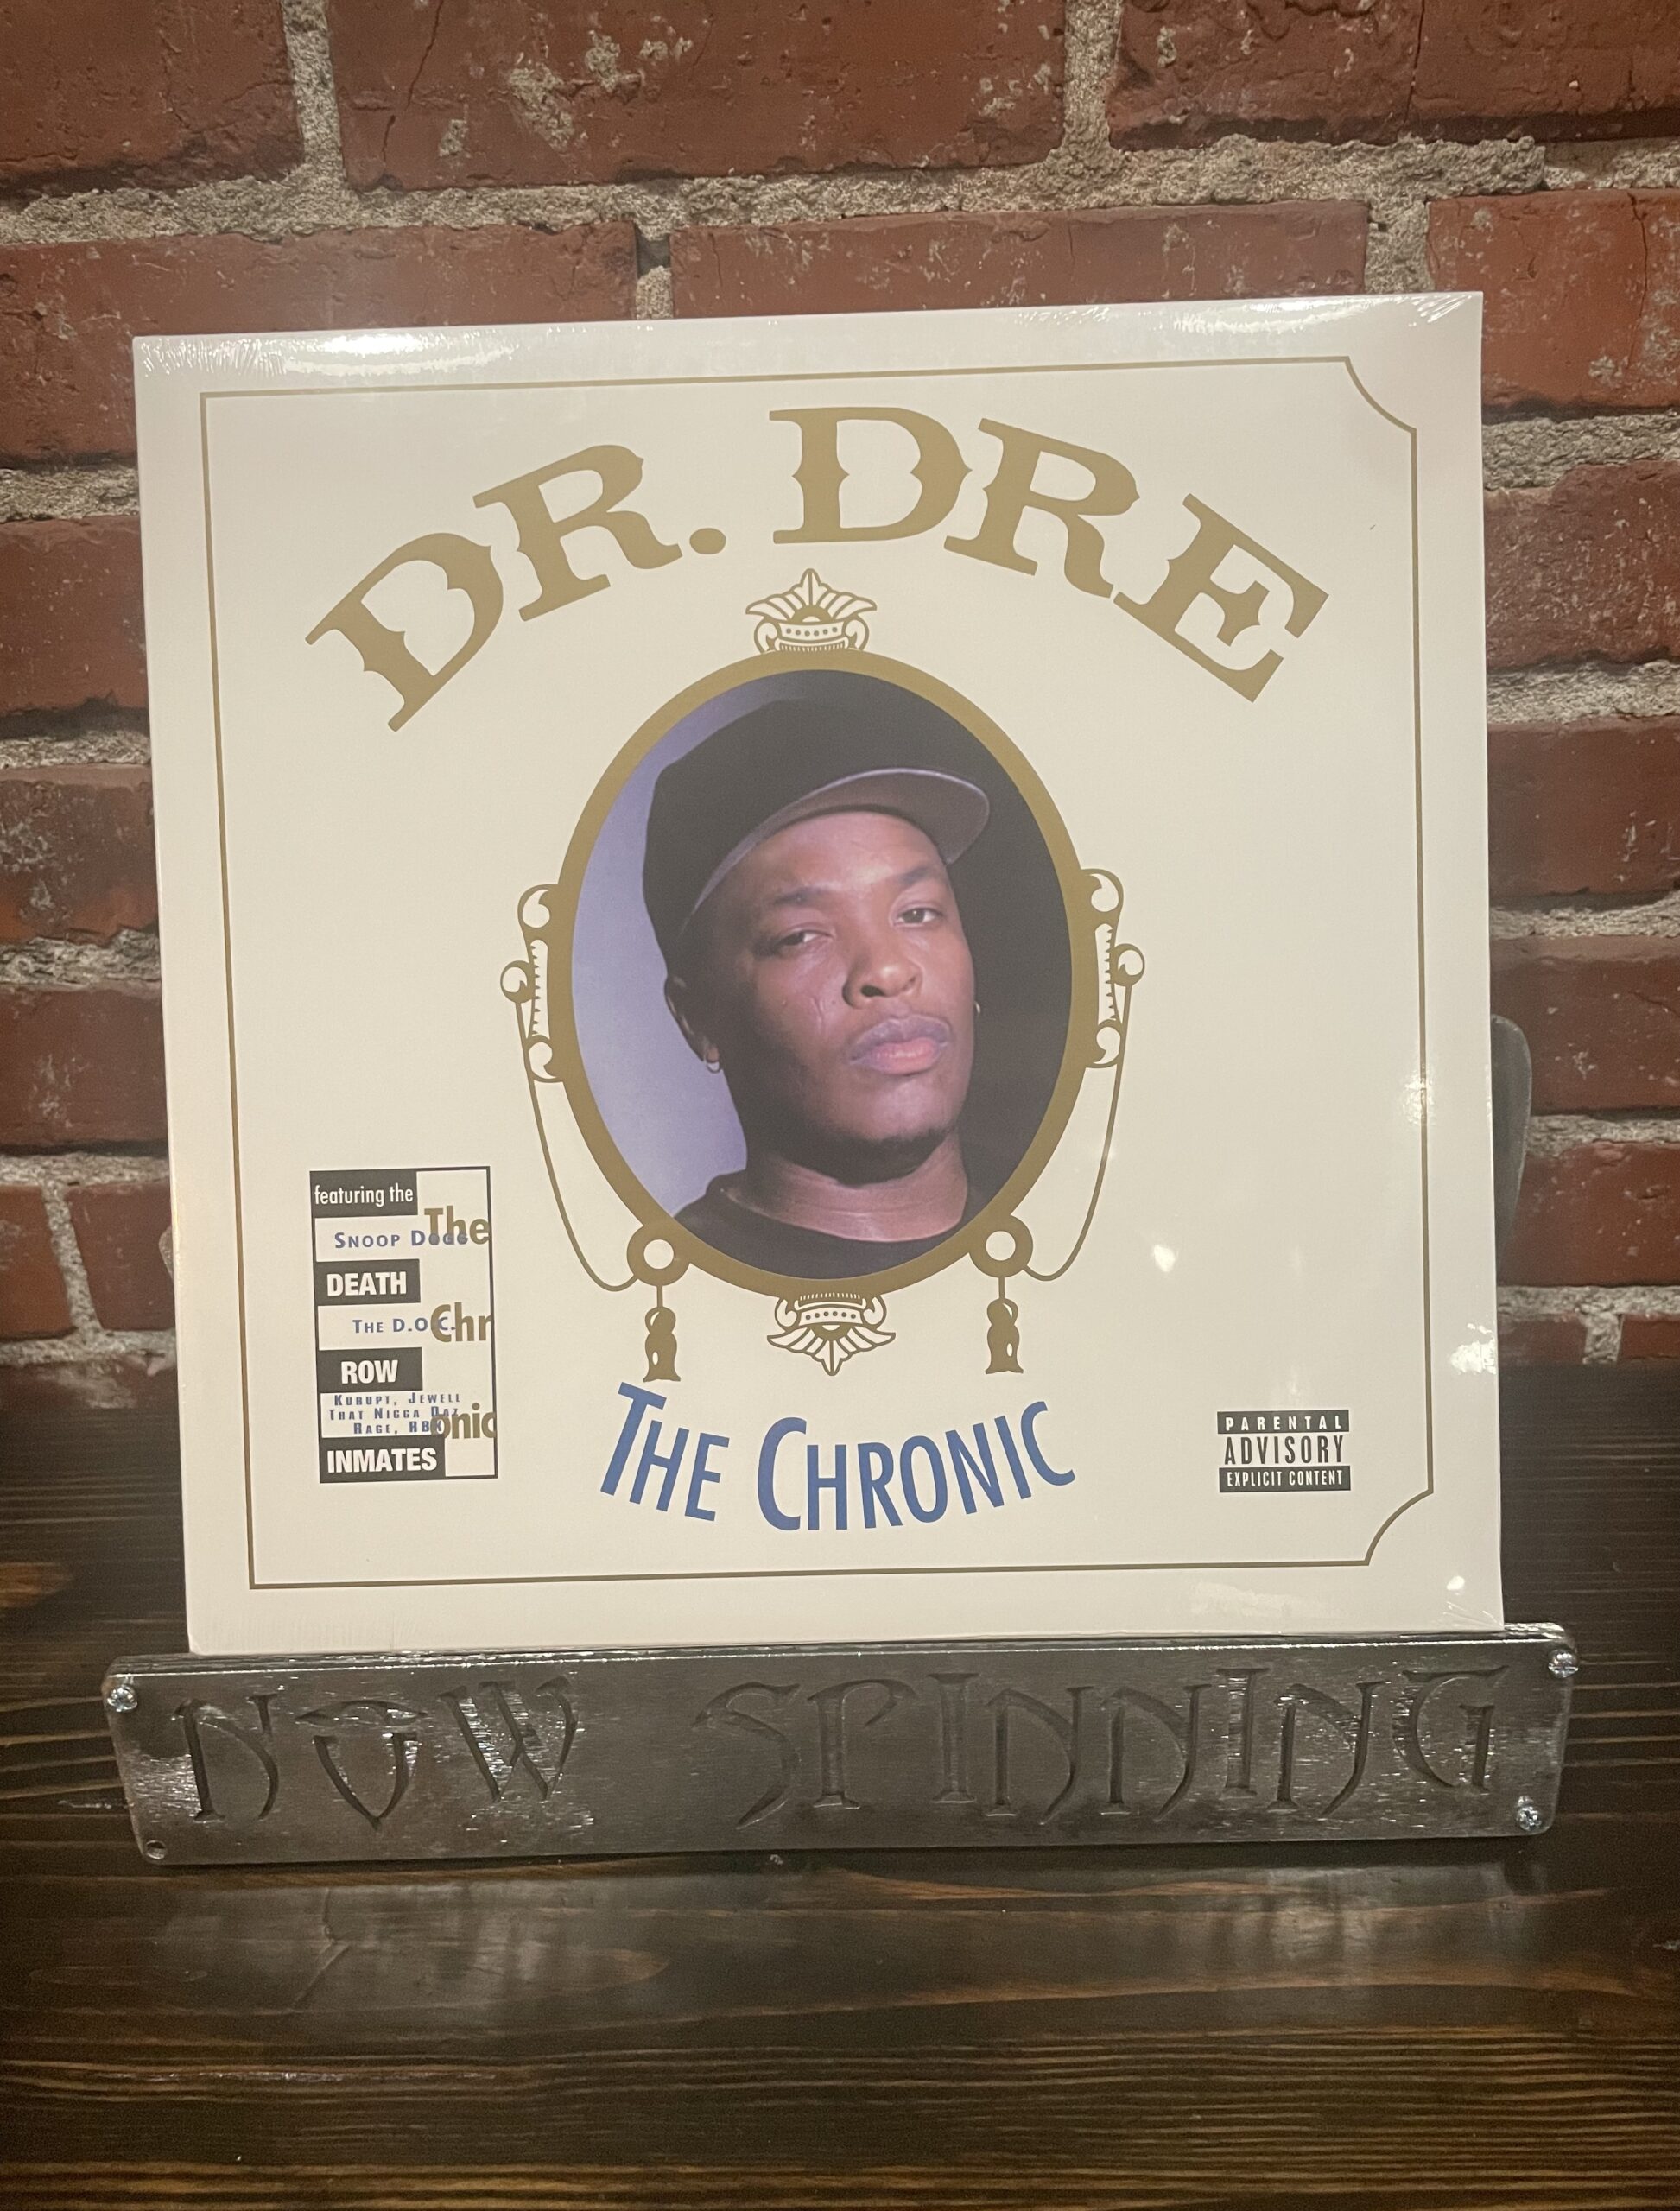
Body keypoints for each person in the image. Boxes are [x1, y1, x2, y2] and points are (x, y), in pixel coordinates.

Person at [642, 688, 995, 1277]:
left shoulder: (1087, 1239)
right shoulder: (661, 1296)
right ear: (697, 1018)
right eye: (801, 937)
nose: (886, 971)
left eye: (917, 913)